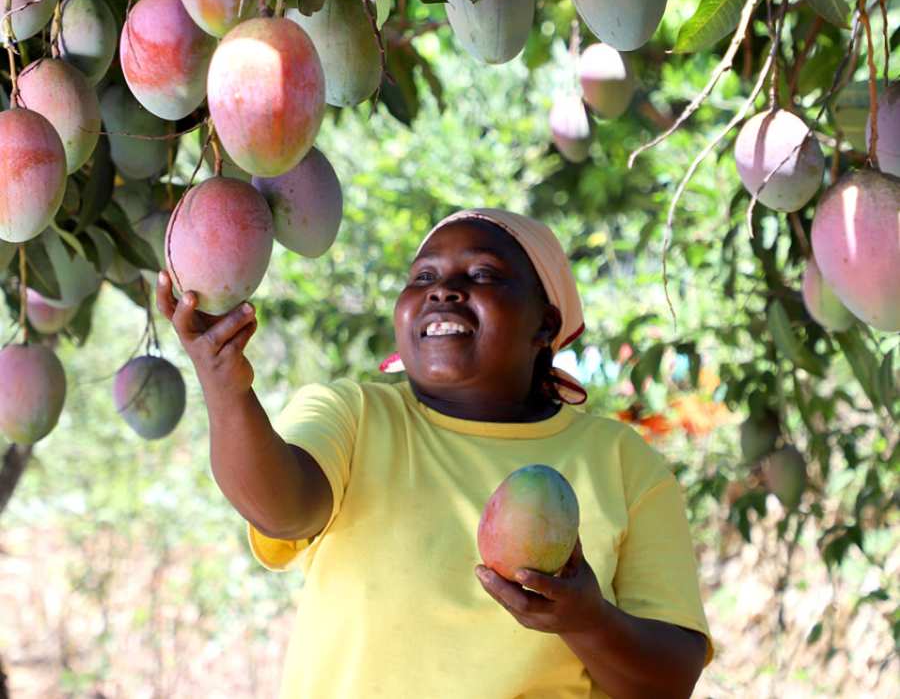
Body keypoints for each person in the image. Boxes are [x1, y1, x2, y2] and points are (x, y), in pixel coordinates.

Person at [157, 208, 714, 698]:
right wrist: (223, 381)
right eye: (422, 276)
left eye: (481, 275)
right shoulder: (354, 413)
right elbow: (280, 507)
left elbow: (669, 682)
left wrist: (587, 620)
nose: (442, 290)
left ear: (545, 323)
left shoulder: (621, 462)